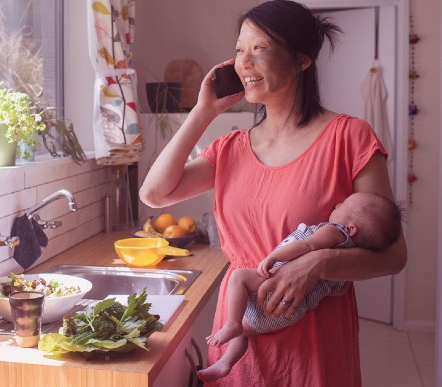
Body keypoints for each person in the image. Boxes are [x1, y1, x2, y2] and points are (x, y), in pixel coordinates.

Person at [138, 0, 408, 385]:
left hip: (314, 340)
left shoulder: (349, 136)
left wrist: (317, 264)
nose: (243, 62)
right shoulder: (230, 148)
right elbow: (155, 194)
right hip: (239, 332)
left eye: (259, 48)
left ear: (301, 60)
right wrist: (202, 113)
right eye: (238, 50)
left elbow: (395, 255)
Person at [197, 192, 403, 382]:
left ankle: (232, 324)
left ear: (350, 229)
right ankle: (225, 363)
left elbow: (307, 245)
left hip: (273, 291)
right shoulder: (347, 263)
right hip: (291, 312)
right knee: (246, 333)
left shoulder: (334, 232)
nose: (337, 204)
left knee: (239, 277)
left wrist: (275, 256)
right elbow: (338, 290)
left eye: (343, 206)